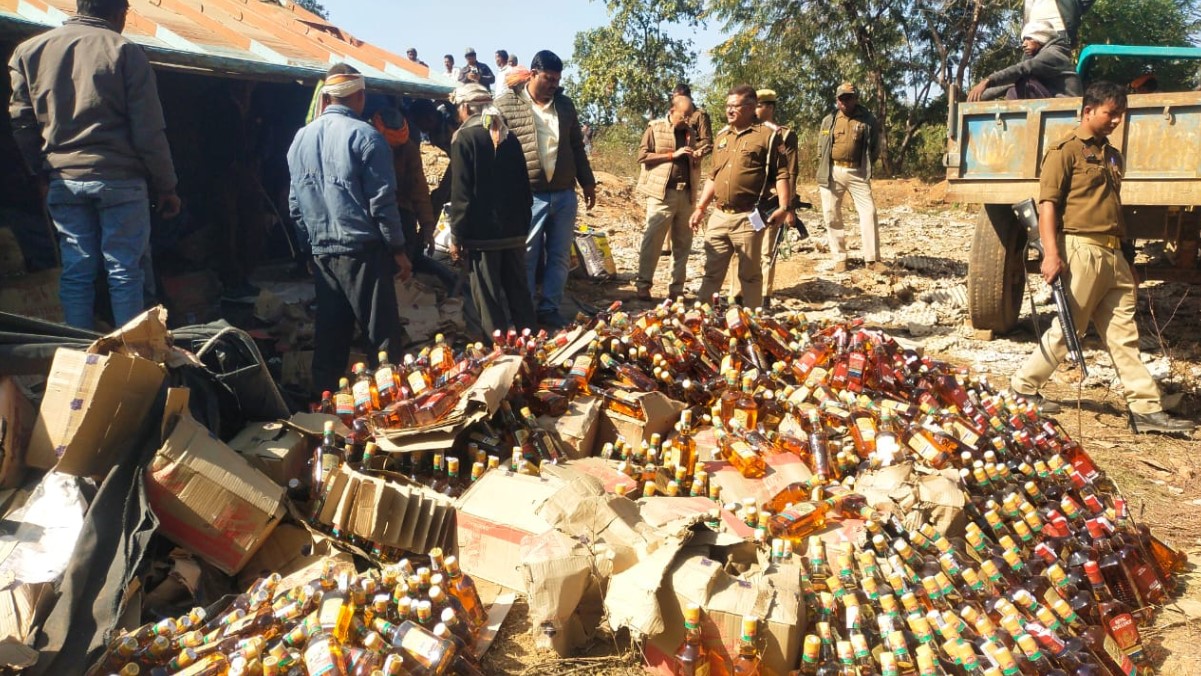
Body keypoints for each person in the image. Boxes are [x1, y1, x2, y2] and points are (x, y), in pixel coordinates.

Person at [1010, 81, 1194, 435]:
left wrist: (1127, 258)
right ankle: (1022, 387)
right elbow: (1048, 206)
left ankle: (1145, 409)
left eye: (1119, 115)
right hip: (1081, 249)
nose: (1115, 121)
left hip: (1113, 254)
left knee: (1124, 334)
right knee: (1069, 330)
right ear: (1088, 111)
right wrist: (1051, 254)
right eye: (1110, 113)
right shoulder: (1064, 151)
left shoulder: (1112, 156)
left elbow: (1116, 209)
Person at [8, 0, 181, 330]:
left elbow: (22, 123)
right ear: (120, 13)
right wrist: (167, 186)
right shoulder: (125, 52)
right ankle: (130, 362)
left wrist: (40, 172)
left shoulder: (29, 51)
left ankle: (79, 355)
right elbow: (149, 132)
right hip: (120, 180)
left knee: (76, 270)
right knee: (125, 271)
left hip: (64, 179)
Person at [287, 65, 413, 395]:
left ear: (328, 96)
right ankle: (391, 413)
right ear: (359, 96)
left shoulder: (300, 139)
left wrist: (308, 250)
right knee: (381, 340)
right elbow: (382, 204)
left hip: (323, 253)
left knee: (330, 338)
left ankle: (324, 410)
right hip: (362, 252)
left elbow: (295, 205)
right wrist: (399, 250)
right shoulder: (367, 137)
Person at [494, 50, 597, 328]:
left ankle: (550, 307)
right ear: (534, 74)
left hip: (564, 194)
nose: (553, 84)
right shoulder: (507, 104)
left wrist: (588, 182)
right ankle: (523, 308)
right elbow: (495, 150)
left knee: (560, 255)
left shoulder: (564, 106)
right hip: (528, 195)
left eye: (557, 80)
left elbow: (577, 146)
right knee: (526, 254)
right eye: (548, 78)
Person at [688, 85, 790, 310]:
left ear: (751, 107)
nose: (729, 111)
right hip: (719, 216)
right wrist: (700, 207)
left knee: (750, 274)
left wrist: (784, 206)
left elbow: (782, 174)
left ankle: (753, 324)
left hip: (749, 217)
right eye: (727, 106)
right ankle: (699, 321)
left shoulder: (768, 136)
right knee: (711, 273)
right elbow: (713, 176)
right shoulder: (723, 136)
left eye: (735, 106)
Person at [447, 84, 537, 336]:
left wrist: (457, 235)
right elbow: (524, 187)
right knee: (520, 296)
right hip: (514, 233)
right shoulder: (510, 137)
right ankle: (533, 350)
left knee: (488, 301)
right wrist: (522, 226)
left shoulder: (464, 138)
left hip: (483, 237)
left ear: (465, 108)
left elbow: (461, 194)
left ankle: (499, 353)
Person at [634, 95, 699, 302]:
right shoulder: (655, 129)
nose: (688, 120)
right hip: (662, 195)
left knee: (683, 243)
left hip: (686, 194)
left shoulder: (692, 134)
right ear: (672, 111)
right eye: (684, 115)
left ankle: (676, 289)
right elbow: (643, 157)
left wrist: (695, 158)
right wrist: (673, 155)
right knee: (653, 241)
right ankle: (643, 285)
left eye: (691, 116)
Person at [816, 82, 881, 273]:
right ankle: (840, 258)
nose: (845, 101)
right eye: (841, 98)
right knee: (831, 214)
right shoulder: (829, 119)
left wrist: (865, 167)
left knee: (869, 212)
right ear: (837, 100)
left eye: (849, 97)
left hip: (857, 173)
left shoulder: (867, 119)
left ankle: (872, 260)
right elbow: (822, 146)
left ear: (855, 98)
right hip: (833, 171)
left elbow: (874, 148)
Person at [751, 89, 798, 308]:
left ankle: (764, 296)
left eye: (759, 105)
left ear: (769, 107)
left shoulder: (785, 135)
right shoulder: (748, 132)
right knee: (743, 248)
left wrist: (789, 207)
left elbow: (790, 171)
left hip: (770, 201)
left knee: (767, 251)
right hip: (749, 201)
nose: (755, 109)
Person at [966, 21, 1081, 102]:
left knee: (1024, 84)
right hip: (1053, 101)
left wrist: (988, 81)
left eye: (1028, 38)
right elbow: (1012, 82)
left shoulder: (1053, 54)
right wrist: (979, 96)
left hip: (1065, 105)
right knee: (1016, 86)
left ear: (1041, 37)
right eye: (1023, 40)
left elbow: (1021, 69)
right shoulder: (1042, 57)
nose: (1023, 44)